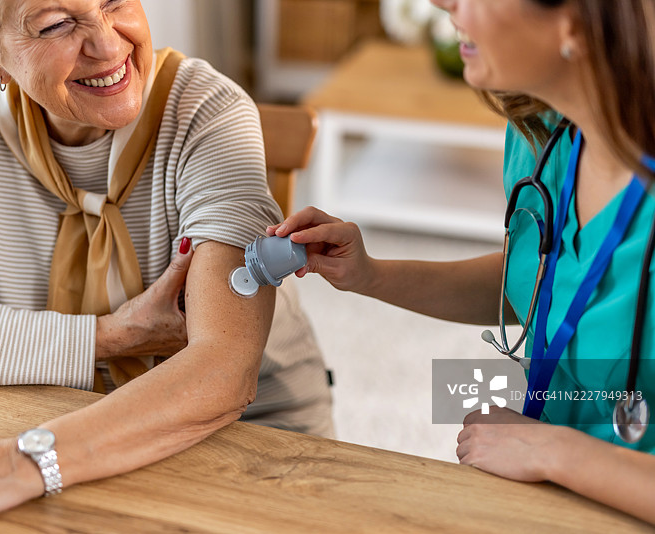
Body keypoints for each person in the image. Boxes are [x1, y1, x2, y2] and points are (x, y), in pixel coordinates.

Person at [0, 0, 333, 529]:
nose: (107, 45)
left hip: (247, 439)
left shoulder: (208, 112)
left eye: (115, 2)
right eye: (57, 25)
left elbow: (223, 370)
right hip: (48, 420)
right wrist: (111, 336)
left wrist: (13, 465)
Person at [268, 0, 655, 525]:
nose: (441, 4)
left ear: (576, 19)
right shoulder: (540, 134)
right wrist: (370, 274)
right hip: (546, 493)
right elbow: (542, 283)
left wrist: (554, 451)